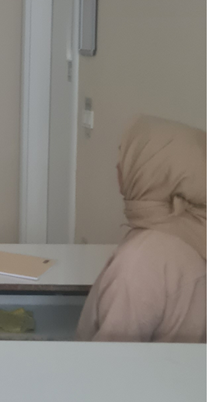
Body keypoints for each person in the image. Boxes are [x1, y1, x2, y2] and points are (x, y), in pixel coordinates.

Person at [77, 115, 207, 343]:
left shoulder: (140, 261)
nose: (118, 165)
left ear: (152, 171)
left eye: (126, 156)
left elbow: (109, 358)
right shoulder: (193, 230)